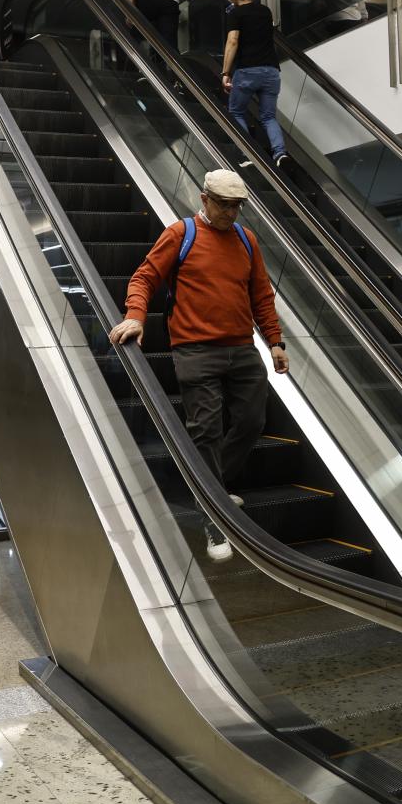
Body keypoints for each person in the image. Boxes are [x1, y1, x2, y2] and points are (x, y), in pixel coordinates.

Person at [108, 168, 288, 562]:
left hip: (242, 348)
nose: (231, 213)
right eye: (223, 204)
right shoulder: (181, 234)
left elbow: (261, 294)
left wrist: (274, 341)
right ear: (204, 199)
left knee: (251, 422)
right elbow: (144, 278)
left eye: (237, 206)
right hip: (195, 350)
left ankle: (212, 486)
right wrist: (136, 316)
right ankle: (212, 516)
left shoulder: (246, 239)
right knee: (206, 430)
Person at [221, 0, 289, 169]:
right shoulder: (265, 11)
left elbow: (233, 41)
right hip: (271, 71)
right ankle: (280, 154)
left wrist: (226, 72)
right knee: (268, 117)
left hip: (248, 70)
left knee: (236, 112)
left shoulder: (235, 13)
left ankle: (248, 153)